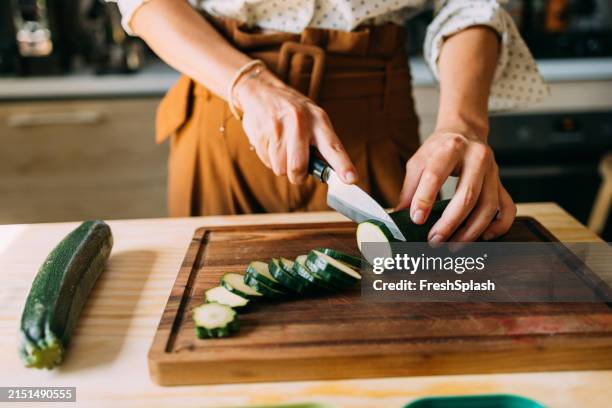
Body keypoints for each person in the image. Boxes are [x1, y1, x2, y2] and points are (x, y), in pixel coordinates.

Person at [109, 0, 547, 244]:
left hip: (375, 120)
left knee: (390, 318)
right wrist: (248, 82)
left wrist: (464, 125)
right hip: (222, 104)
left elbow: (472, 6)